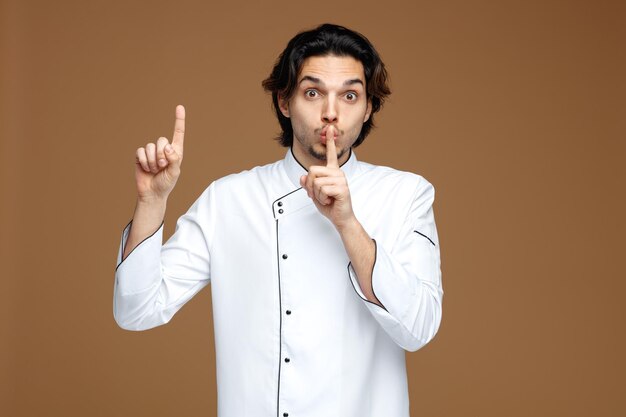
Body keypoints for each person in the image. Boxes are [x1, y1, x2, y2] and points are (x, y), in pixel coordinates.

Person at [114, 23, 443, 417]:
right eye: (312, 92)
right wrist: (152, 202)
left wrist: (348, 223)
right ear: (285, 102)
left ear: (369, 106)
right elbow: (136, 311)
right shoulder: (229, 198)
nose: (331, 113)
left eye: (350, 96)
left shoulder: (405, 194)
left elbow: (419, 327)